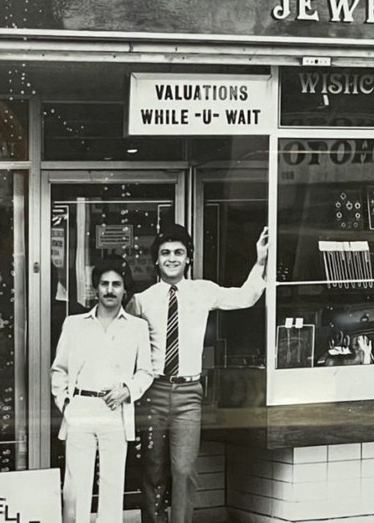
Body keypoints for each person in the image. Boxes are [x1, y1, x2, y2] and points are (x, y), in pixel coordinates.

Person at [129, 224, 269, 523]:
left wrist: (259, 262)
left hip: (189, 394)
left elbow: (245, 297)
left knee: (184, 470)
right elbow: (125, 347)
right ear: (156, 259)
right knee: (153, 469)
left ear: (188, 258)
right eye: (165, 253)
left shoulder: (203, 291)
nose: (171, 258)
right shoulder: (142, 300)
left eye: (178, 252)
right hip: (153, 392)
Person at [50, 257, 153, 523]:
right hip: (81, 409)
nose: (110, 289)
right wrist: (66, 404)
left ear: (124, 289)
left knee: (112, 484)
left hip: (115, 411)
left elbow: (145, 372)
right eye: (104, 284)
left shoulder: (137, 327)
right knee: (75, 487)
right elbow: (59, 369)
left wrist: (128, 389)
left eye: (116, 284)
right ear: (96, 288)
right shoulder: (74, 324)